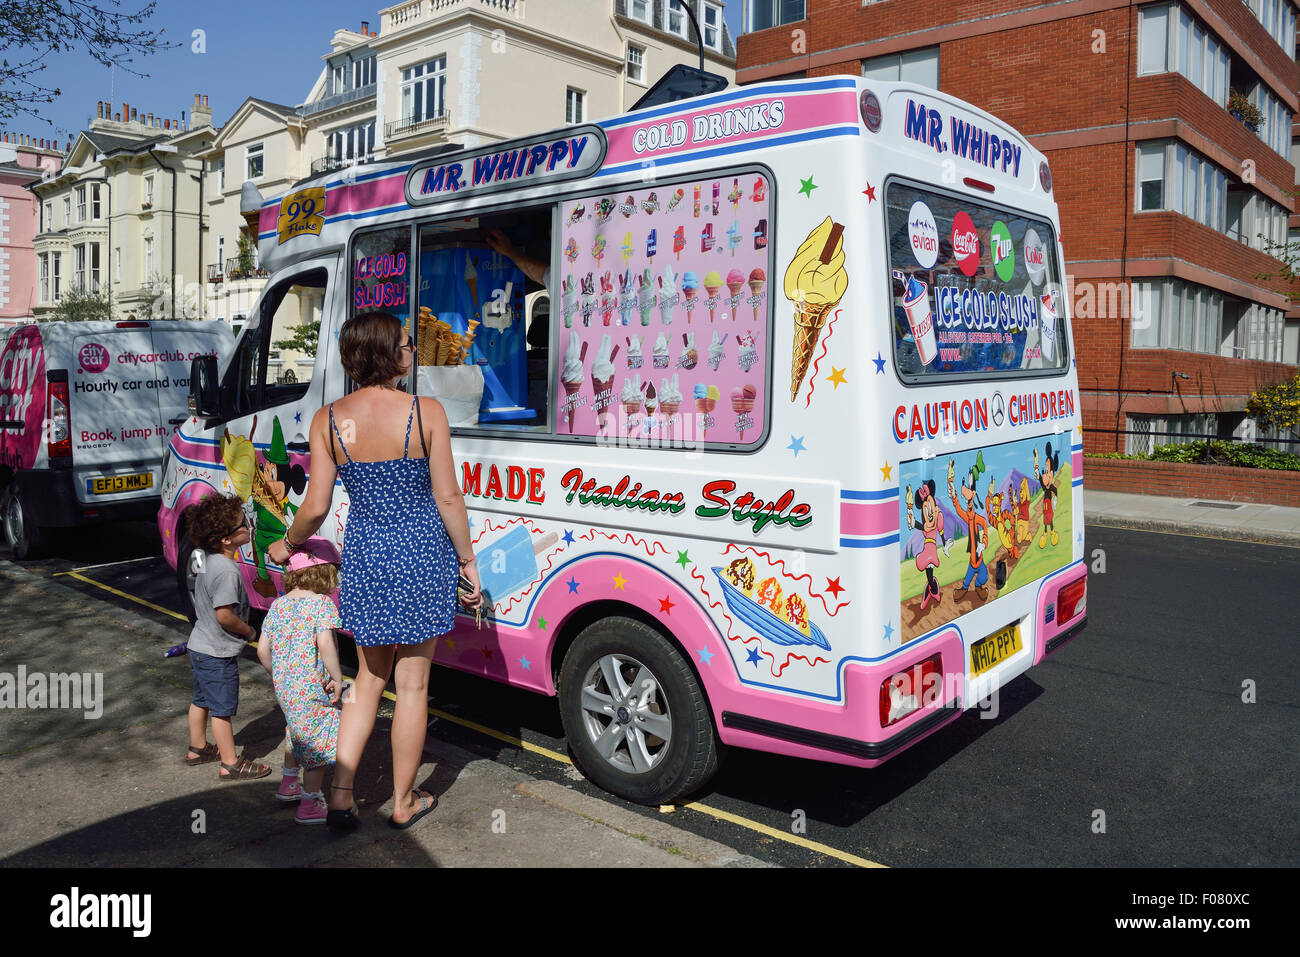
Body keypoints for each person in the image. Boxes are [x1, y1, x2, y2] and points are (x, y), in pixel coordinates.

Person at [269, 311, 482, 831]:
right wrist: (468, 561)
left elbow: (316, 505)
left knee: (367, 680)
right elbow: (447, 496)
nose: (413, 352)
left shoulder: (326, 420)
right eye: (407, 345)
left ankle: (340, 794)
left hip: (367, 556)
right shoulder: (424, 412)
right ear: (387, 353)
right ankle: (404, 801)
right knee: (412, 688)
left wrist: (287, 543)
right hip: (421, 553)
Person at [257, 536, 345, 825]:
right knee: (317, 746)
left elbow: (261, 650)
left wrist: (279, 674)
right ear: (325, 574)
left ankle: (289, 784)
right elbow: (326, 645)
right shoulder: (322, 604)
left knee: (295, 732)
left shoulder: (277, 606)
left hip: (286, 689)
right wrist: (337, 676)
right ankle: (309, 804)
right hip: (312, 689)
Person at [183, 492, 271, 780]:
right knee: (221, 709)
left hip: (199, 644)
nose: (247, 525)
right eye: (242, 524)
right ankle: (231, 762)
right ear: (226, 538)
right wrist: (248, 630)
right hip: (217, 652)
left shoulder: (207, 560)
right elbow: (224, 616)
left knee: (201, 699)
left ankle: (197, 748)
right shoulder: (228, 572)